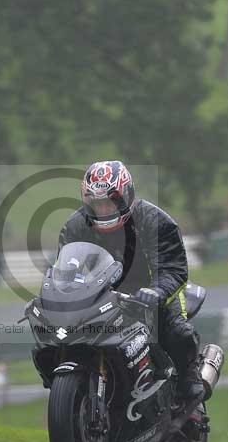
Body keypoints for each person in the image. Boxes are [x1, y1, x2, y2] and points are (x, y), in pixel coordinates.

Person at [58, 160, 205, 402]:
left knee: (177, 331)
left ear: (127, 196)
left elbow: (173, 269)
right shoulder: (75, 227)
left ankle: (189, 377)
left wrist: (156, 292)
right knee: (62, 334)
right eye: (97, 204)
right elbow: (66, 270)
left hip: (154, 291)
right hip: (103, 297)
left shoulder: (155, 221)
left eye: (110, 202)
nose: (104, 210)